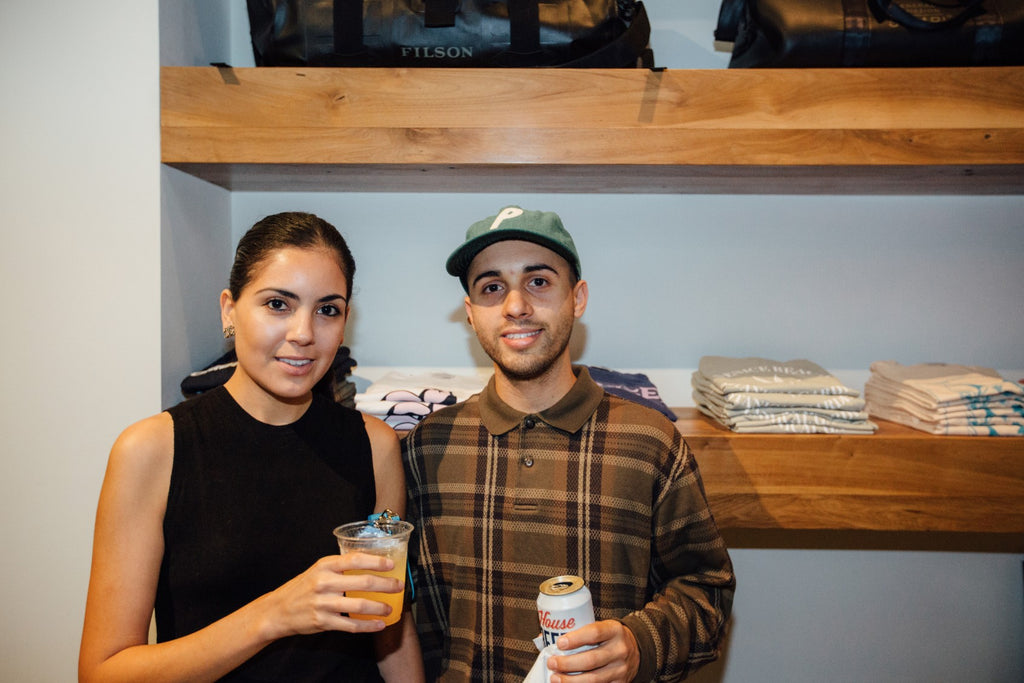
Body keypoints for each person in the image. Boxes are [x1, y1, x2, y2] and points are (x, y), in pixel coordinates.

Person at [79, 212, 424, 683]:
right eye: (278, 304)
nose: (303, 333)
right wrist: (273, 616)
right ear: (229, 310)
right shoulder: (152, 450)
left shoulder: (374, 444)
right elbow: (103, 672)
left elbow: (390, 629)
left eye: (327, 310)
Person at [402, 206, 735, 683]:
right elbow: (402, 610)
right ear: (471, 314)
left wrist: (639, 646)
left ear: (577, 298)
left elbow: (708, 593)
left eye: (538, 281)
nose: (516, 305)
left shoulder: (650, 443)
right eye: (492, 287)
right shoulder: (427, 448)